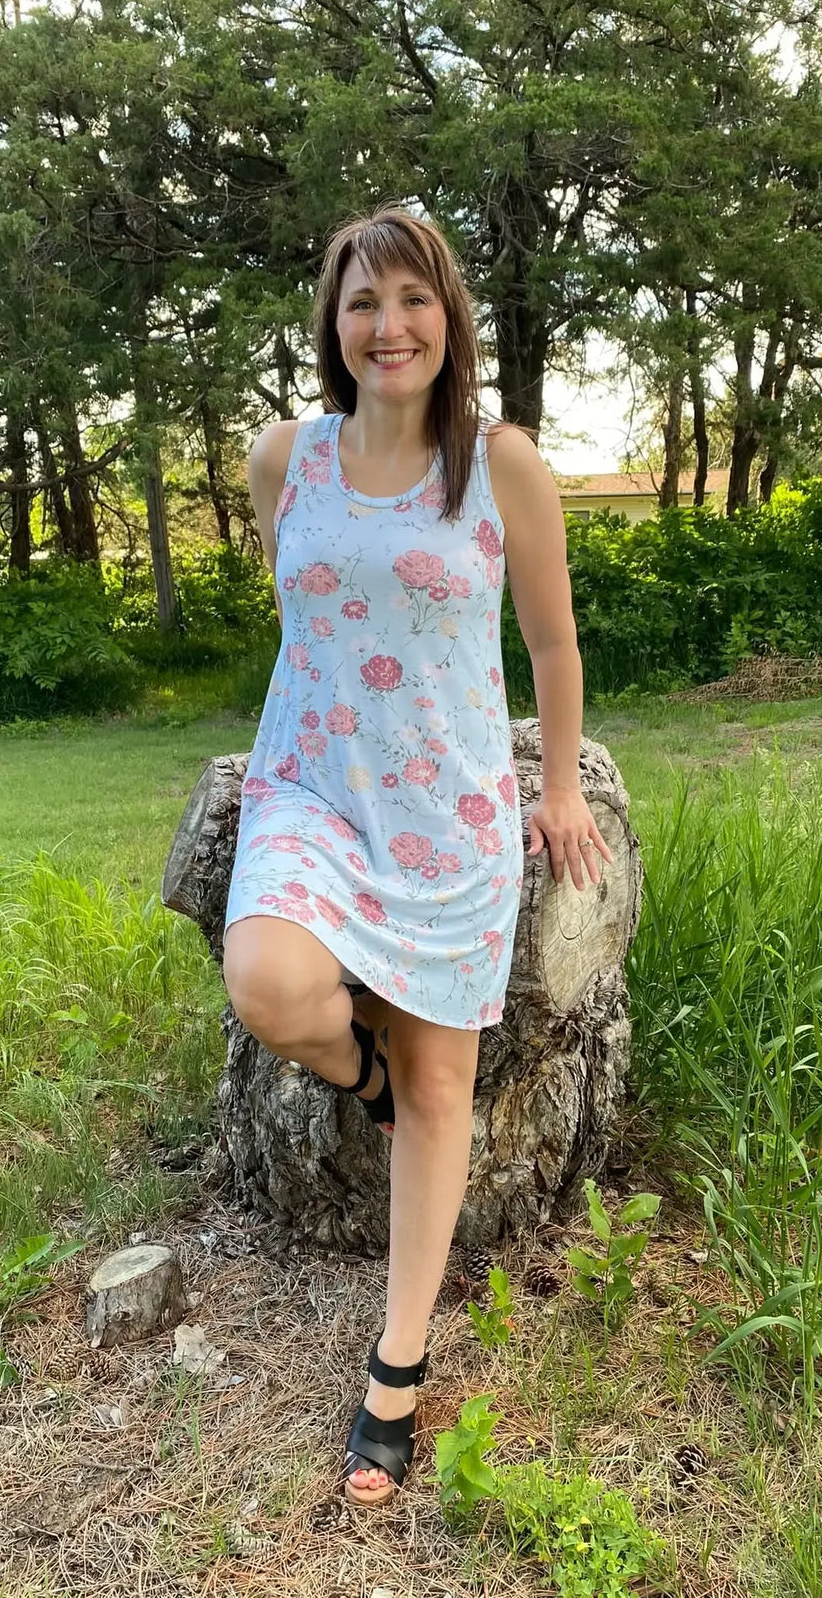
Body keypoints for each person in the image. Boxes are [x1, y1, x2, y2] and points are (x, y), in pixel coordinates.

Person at [221, 203, 613, 1508]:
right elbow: (303, 618)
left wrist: (556, 786)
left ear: (450, 317)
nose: (387, 326)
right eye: (360, 302)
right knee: (272, 983)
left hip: (447, 807)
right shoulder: (287, 459)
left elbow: (551, 648)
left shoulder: (501, 465)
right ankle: (355, 1066)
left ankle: (396, 1362)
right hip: (316, 788)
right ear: (332, 326)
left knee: (445, 1092)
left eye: (412, 300)